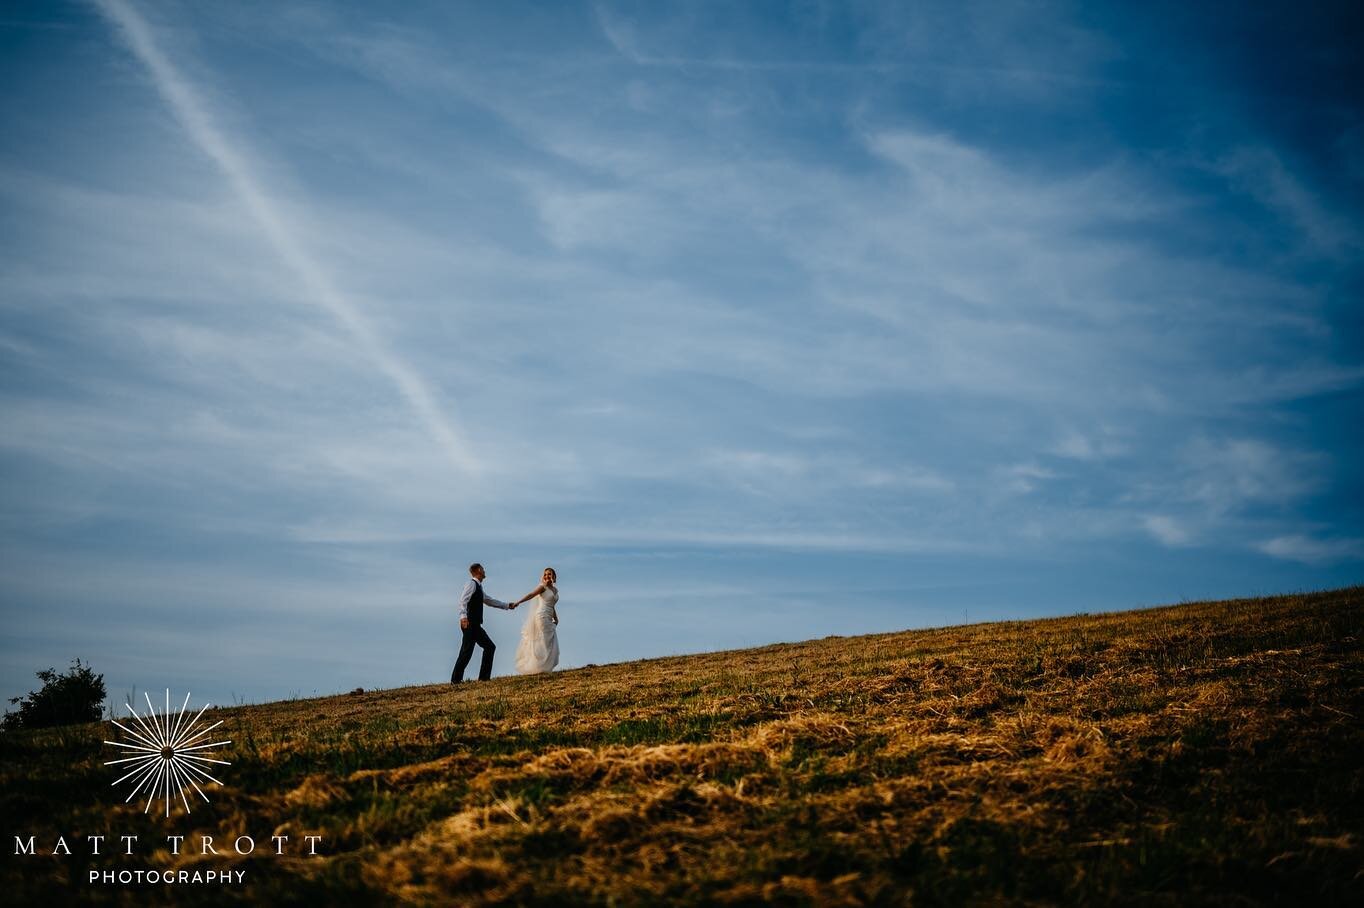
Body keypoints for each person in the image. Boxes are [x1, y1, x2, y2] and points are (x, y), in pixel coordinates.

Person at [451, 563, 517, 683]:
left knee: (489, 647)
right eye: (483, 569)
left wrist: (507, 605)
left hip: (475, 625)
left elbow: (489, 601)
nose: (485, 571)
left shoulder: (479, 587)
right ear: (479, 570)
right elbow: (463, 601)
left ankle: (484, 678)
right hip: (470, 624)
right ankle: (455, 681)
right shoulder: (471, 584)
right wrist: (463, 617)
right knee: (466, 652)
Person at [511, 567, 560, 675]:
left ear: (554, 576)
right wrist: (518, 602)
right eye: (545, 574)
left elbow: (552, 605)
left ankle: (544, 667)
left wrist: (555, 617)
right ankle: (537, 667)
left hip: (548, 615)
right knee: (542, 640)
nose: (547, 576)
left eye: (550, 574)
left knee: (548, 641)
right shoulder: (542, 587)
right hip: (541, 616)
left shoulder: (555, 590)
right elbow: (531, 595)